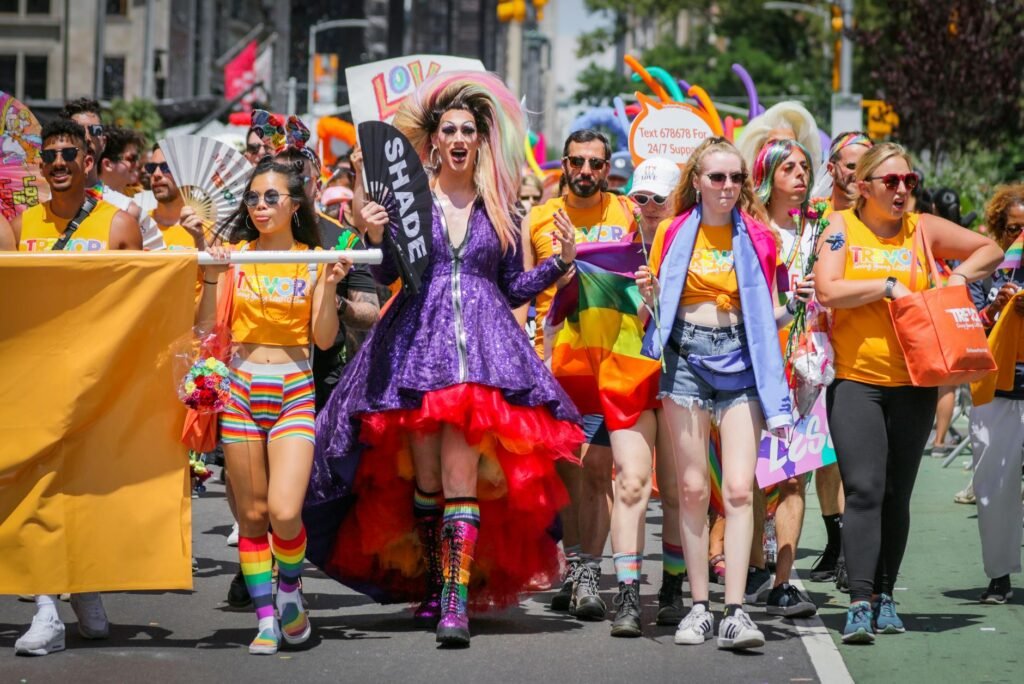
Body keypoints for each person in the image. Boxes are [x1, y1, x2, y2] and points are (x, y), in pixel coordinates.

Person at [304, 71, 584, 648]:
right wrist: (370, 232)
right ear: (433, 142)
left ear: (480, 140)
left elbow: (509, 286)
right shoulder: (410, 203)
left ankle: (455, 602)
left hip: (482, 359)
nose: (458, 139)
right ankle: (435, 586)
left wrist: (560, 263)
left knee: (460, 478)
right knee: (426, 482)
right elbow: (386, 276)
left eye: (468, 130)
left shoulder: (499, 208)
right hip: (414, 354)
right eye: (449, 130)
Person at [814, 142, 1002, 644]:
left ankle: (885, 595)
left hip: (916, 382)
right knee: (864, 490)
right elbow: (829, 290)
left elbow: (992, 249)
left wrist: (957, 278)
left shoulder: (922, 230)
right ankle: (857, 601)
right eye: (891, 182)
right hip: (857, 381)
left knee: (898, 495)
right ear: (863, 185)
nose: (902, 191)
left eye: (909, 182)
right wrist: (889, 284)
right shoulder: (840, 229)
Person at [636, 137, 792, 651]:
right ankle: (699, 606)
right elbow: (651, 315)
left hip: (743, 361)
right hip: (685, 360)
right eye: (717, 177)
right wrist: (649, 295)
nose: (728, 187)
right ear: (697, 182)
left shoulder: (760, 238)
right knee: (693, 489)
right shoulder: (675, 232)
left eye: (736, 178)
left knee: (742, 490)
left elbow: (768, 313)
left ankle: (736, 609)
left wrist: (796, 306)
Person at [198, 159, 351, 655]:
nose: (260, 207)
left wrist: (327, 286)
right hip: (240, 390)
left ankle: (289, 588)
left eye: (271, 197)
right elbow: (205, 332)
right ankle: (266, 619)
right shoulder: (234, 256)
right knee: (252, 515)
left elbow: (324, 337)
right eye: (252, 199)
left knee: (286, 513)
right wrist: (211, 278)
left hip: (292, 391)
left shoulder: (313, 258)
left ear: (294, 203)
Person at [11, 118, 141, 657]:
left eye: (69, 155)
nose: (59, 163)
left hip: (96, 381)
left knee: (86, 490)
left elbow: (140, 305)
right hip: (34, 381)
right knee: (34, 491)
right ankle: (45, 609)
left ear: (90, 162)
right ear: (41, 167)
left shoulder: (118, 225)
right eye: (50, 157)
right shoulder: (18, 224)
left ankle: (85, 586)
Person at [522, 129, 638, 621]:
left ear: (608, 169)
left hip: (614, 360)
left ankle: (589, 569)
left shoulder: (628, 213)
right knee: (568, 474)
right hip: (556, 366)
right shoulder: (539, 217)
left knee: (598, 471)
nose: (586, 172)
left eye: (596, 164)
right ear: (563, 166)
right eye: (577, 163)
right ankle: (575, 566)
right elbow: (524, 294)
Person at [750, 137, 821, 619]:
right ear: (767, 176)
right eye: (787, 168)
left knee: (794, 481)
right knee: (752, 479)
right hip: (755, 369)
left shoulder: (821, 232)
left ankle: (781, 583)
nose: (799, 175)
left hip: (808, 369)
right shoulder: (751, 232)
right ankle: (751, 568)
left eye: (804, 167)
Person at [808, 130, 875, 588]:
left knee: (857, 455)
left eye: (866, 165)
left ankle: (854, 550)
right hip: (813, 348)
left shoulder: (885, 216)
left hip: (864, 349)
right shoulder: (812, 216)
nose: (858, 174)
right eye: (850, 165)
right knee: (823, 455)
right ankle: (834, 537)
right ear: (833, 169)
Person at [967, 183, 1024, 604]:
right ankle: (999, 576)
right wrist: (994, 309)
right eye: (1011, 229)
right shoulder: (983, 268)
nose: (1017, 238)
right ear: (997, 229)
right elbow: (964, 327)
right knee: (993, 487)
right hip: (995, 392)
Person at [58, 98, 141, 221]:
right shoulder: (42, 200)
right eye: (78, 131)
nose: (87, 138)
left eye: (95, 131)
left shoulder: (125, 209)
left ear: (104, 142)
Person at [98, 126, 144, 196]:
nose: (137, 164)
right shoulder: (85, 202)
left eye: (137, 158)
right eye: (132, 159)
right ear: (107, 164)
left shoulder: (141, 197)